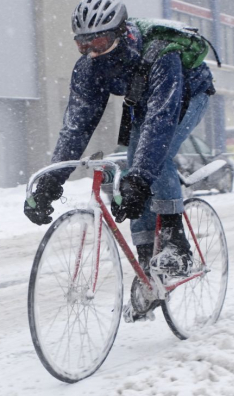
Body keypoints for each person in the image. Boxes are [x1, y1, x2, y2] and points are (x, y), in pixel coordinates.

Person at [23, 1, 215, 302]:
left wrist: (140, 180)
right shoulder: (89, 68)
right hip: (143, 96)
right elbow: (76, 128)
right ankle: (146, 269)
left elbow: (161, 121)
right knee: (132, 168)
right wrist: (51, 180)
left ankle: (176, 244)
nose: (92, 52)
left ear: (121, 33)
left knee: (152, 160)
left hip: (188, 92)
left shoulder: (160, 53)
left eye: (99, 41)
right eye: (83, 44)